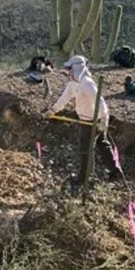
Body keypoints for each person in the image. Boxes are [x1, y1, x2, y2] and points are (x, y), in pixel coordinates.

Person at [48, 55, 112, 183]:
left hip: (92, 121)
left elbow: (101, 103)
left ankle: (85, 178)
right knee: (102, 144)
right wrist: (53, 110)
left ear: (77, 68)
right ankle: (115, 171)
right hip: (85, 119)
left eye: (70, 68)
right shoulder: (73, 83)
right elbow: (65, 97)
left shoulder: (87, 84)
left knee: (85, 149)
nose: (68, 71)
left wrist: (104, 121)